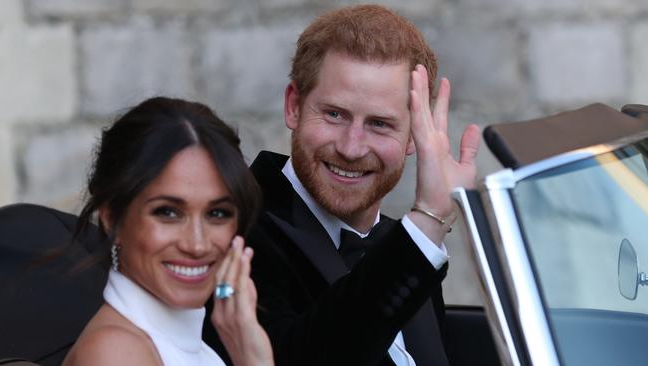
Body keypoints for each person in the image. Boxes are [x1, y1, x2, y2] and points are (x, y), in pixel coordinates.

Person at [201, 5, 481, 366]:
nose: (351, 147)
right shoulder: (233, 230)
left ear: (415, 135)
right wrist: (428, 223)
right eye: (334, 114)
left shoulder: (405, 246)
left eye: (379, 124)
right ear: (294, 107)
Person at [62, 97, 274, 366]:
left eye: (217, 213)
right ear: (111, 218)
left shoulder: (196, 348)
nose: (197, 244)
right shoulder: (115, 352)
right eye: (168, 212)